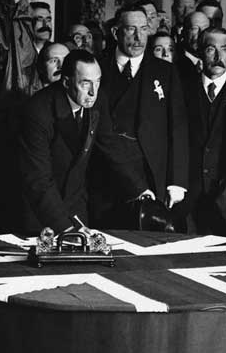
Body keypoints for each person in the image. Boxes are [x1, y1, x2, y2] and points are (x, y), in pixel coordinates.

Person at [18, 50, 150, 231]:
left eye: (97, 81)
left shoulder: (97, 99)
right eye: (85, 83)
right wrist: (64, 227)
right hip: (42, 211)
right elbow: (38, 178)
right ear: (66, 82)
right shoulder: (37, 111)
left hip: (76, 205)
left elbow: (110, 145)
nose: (93, 92)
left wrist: (140, 189)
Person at [92, 4, 188, 224]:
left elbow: (179, 128)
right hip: (105, 175)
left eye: (143, 29)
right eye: (131, 29)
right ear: (116, 33)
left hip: (151, 175)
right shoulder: (97, 67)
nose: (138, 37)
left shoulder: (165, 71)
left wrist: (176, 181)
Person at [183, 28, 226, 235]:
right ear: (200, 52)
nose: (219, 57)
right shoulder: (183, 90)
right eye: (211, 49)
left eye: (224, 49)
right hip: (188, 198)